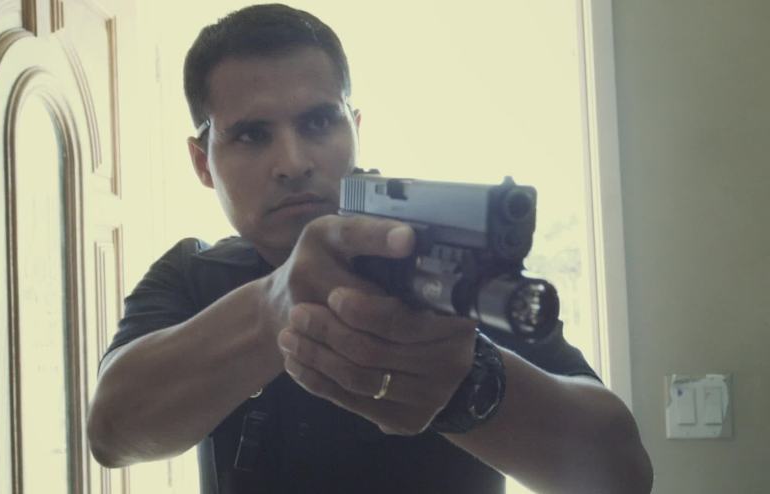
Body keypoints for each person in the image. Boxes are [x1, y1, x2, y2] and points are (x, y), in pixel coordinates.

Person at [87, 4, 653, 493]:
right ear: (201, 161)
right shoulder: (194, 272)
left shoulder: (437, 257)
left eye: (319, 122)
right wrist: (272, 308)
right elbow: (112, 432)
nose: (293, 162)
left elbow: (621, 473)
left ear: (355, 127)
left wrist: (469, 385)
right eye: (252, 135)